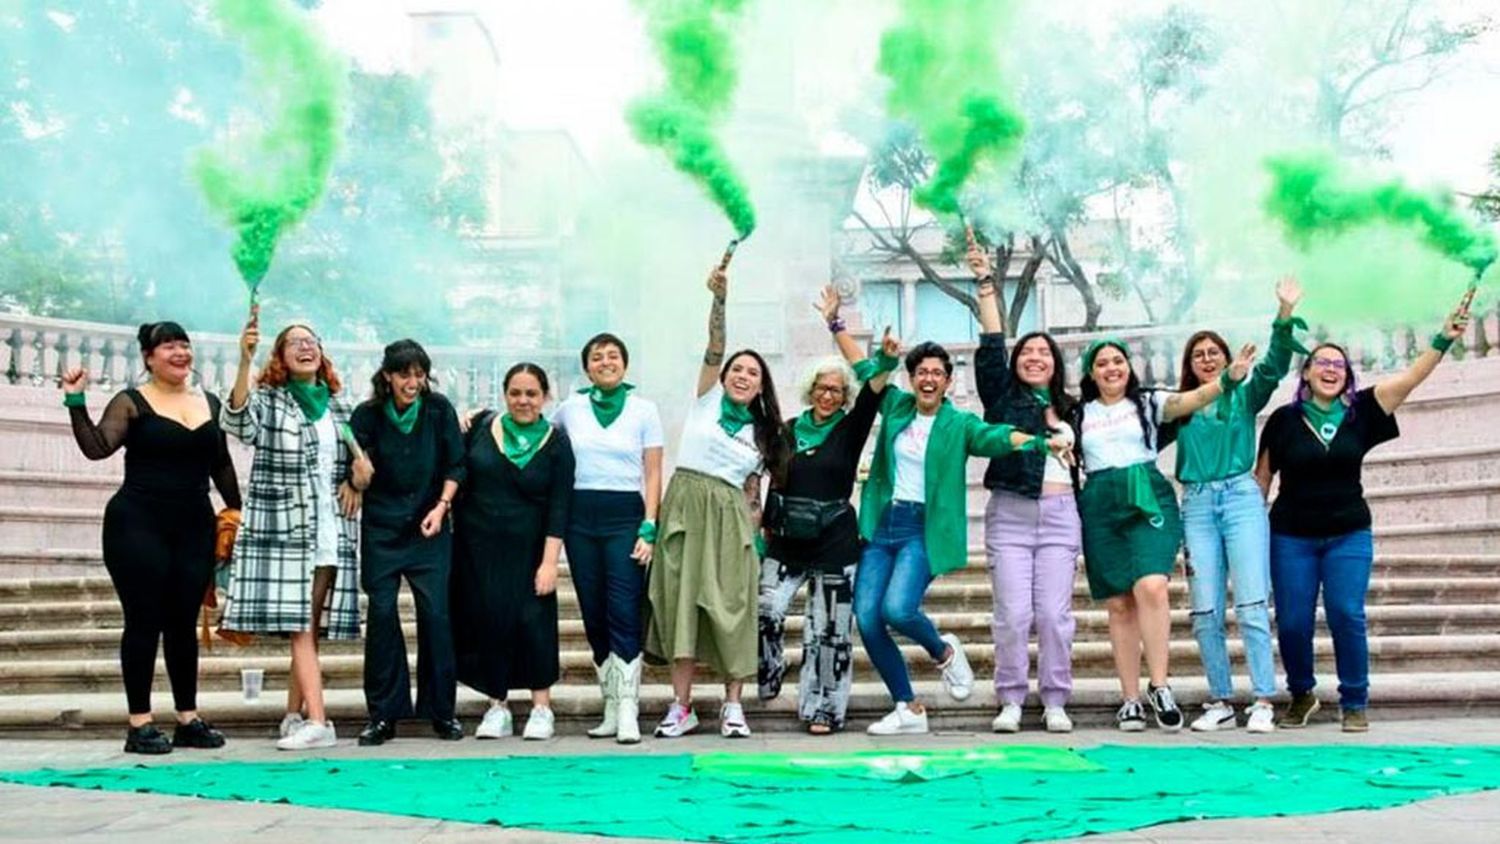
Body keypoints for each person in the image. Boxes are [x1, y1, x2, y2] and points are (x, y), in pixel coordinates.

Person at [1258, 294, 1471, 733]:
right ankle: (1302, 694)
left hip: (1348, 534)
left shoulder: (1363, 412)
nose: (1331, 368)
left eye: (1339, 364)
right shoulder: (1281, 420)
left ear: (1348, 376)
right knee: (1294, 621)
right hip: (1290, 536)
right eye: (1322, 362)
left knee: (1345, 613)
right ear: (1307, 373)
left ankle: (1354, 700)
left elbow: (1412, 378)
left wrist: (1442, 339)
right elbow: (1261, 482)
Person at [849, 331, 1071, 737]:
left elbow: (997, 436)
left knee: (897, 610)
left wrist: (1039, 444)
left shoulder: (959, 423)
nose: (928, 378)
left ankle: (944, 650)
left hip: (922, 528)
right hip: (883, 527)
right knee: (866, 618)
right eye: (921, 372)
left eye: (937, 372)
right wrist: (836, 325)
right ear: (912, 378)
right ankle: (907, 707)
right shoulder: (896, 405)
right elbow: (864, 369)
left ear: (948, 381)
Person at [62, 321, 240, 754]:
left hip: (194, 523)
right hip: (137, 523)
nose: (179, 353)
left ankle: (187, 718)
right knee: (144, 620)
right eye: (168, 347)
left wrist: (236, 511)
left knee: (182, 621)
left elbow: (221, 463)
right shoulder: (132, 402)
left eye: (184, 345)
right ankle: (139, 723)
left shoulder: (209, 402)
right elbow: (97, 447)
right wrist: (75, 400)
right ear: (148, 357)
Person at [1073, 337, 1253, 732]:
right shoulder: (1079, 414)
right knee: (1119, 604)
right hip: (1101, 503)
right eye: (1102, 363)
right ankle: (1130, 699)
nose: (1111, 368)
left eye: (1118, 360)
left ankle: (1159, 685)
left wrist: (1227, 379)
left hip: (1147, 496)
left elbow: (1189, 400)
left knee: (1152, 586)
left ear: (1128, 366)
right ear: (1091, 373)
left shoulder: (1148, 403)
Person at [645, 257, 790, 739]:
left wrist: (757, 538)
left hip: (730, 517)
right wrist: (719, 298)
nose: (743, 375)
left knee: (732, 608)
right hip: (686, 505)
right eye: (737, 369)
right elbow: (714, 345)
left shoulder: (764, 432)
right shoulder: (705, 400)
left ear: (761, 383)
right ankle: (681, 706)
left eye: (753, 372)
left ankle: (732, 706)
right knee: (682, 605)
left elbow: (755, 492)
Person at [221, 316, 368, 751]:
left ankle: (295, 714)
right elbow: (238, 423)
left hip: (329, 526)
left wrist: (357, 480)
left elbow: (356, 465)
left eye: (312, 341)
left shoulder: (338, 405)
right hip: (284, 528)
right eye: (295, 343)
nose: (306, 348)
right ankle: (319, 721)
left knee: (306, 626)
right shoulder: (271, 400)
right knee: (300, 625)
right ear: (281, 358)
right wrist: (244, 361)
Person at [758, 285, 891, 735]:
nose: (829, 395)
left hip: (834, 542)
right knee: (766, 611)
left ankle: (824, 709)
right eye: (822, 387)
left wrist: (838, 326)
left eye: (837, 390)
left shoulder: (851, 428)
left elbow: (875, 384)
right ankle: (771, 671)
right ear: (810, 389)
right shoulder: (788, 430)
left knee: (828, 633)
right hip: (785, 541)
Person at [1174, 277, 1303, 734]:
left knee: (1251, 603)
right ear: (1189, 365)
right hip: (1196, 504)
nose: (1207, 358)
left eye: (1214, 351)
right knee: (1205, 610)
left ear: (1228, 359)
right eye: (1198, 354)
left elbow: (1273, 367)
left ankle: (1263, 698)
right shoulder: (1181, 406)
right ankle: (1221, 698)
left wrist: (1283, 315)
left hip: (1241, 498)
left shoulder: (1244, 394)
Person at [965, 235, 1082, 734]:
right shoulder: (1002, 398)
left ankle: (1055, 698)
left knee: (1055, 617)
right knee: (1012, 615)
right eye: (1027, 351)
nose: (1035, 357)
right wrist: (985, 282)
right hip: (1011, 514)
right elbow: (992, 346)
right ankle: (1011, 698)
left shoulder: (1074, 408)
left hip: (1060, 518)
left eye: (1044, 352)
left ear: (1055, 364)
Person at [348, 339, 465, 745]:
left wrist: (442, 506)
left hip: (429, 525)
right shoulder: (367, 415)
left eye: (418, 374)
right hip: (382, 528)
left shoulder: (438, 410)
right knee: (382, 615)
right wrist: (357, 478)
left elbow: (456, 463)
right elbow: (355, 470)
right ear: (387, 376)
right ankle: (384, 714)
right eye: (404, 374)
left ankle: (442, 712)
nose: (412, 382)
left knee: (435, 615)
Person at [452, 363, 574, 741]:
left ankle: (541, 707)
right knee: (490, 622)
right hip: (479, 548)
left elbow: (560, 505)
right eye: (516, 393)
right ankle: (497, 705)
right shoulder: (480, 428)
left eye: (532, 394)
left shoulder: (555, 441)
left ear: (545, 398)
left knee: (534, 622)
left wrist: (550, 561)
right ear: (505, 395)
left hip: (531, 549)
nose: (523, 401)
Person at [553, 333, 664, 744]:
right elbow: (539, 441)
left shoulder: (643, 410)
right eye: (597, 357)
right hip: (579, 517)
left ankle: (630, 710)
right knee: (593, 611)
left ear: (625, 364)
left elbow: (652, 472)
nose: (605, 362)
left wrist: (648, 526)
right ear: (587, 367)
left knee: (623, 608)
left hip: (624, 517)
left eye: (613, 355)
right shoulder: (570, 409)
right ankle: (611, 705)